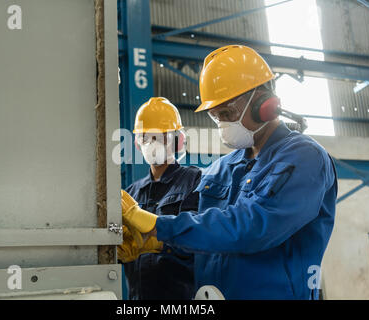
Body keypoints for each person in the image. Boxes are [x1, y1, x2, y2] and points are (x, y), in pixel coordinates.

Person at [121, 45, 338, 300]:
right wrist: (156, 245)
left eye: (228, 113)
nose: (224, 125)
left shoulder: (303, 157)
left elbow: (253, 226)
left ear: (263, 104)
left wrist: (160, 227)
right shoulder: (220, 169)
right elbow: (208, 238)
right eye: (216, 117)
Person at [118, 97, 202, 300]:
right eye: (146, 137)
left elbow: (198, 239)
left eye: (160, 137)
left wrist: (159, 243)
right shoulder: (131, 193)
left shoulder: (195, 181)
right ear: (138, 144)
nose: (151, 144)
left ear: (177, 141)